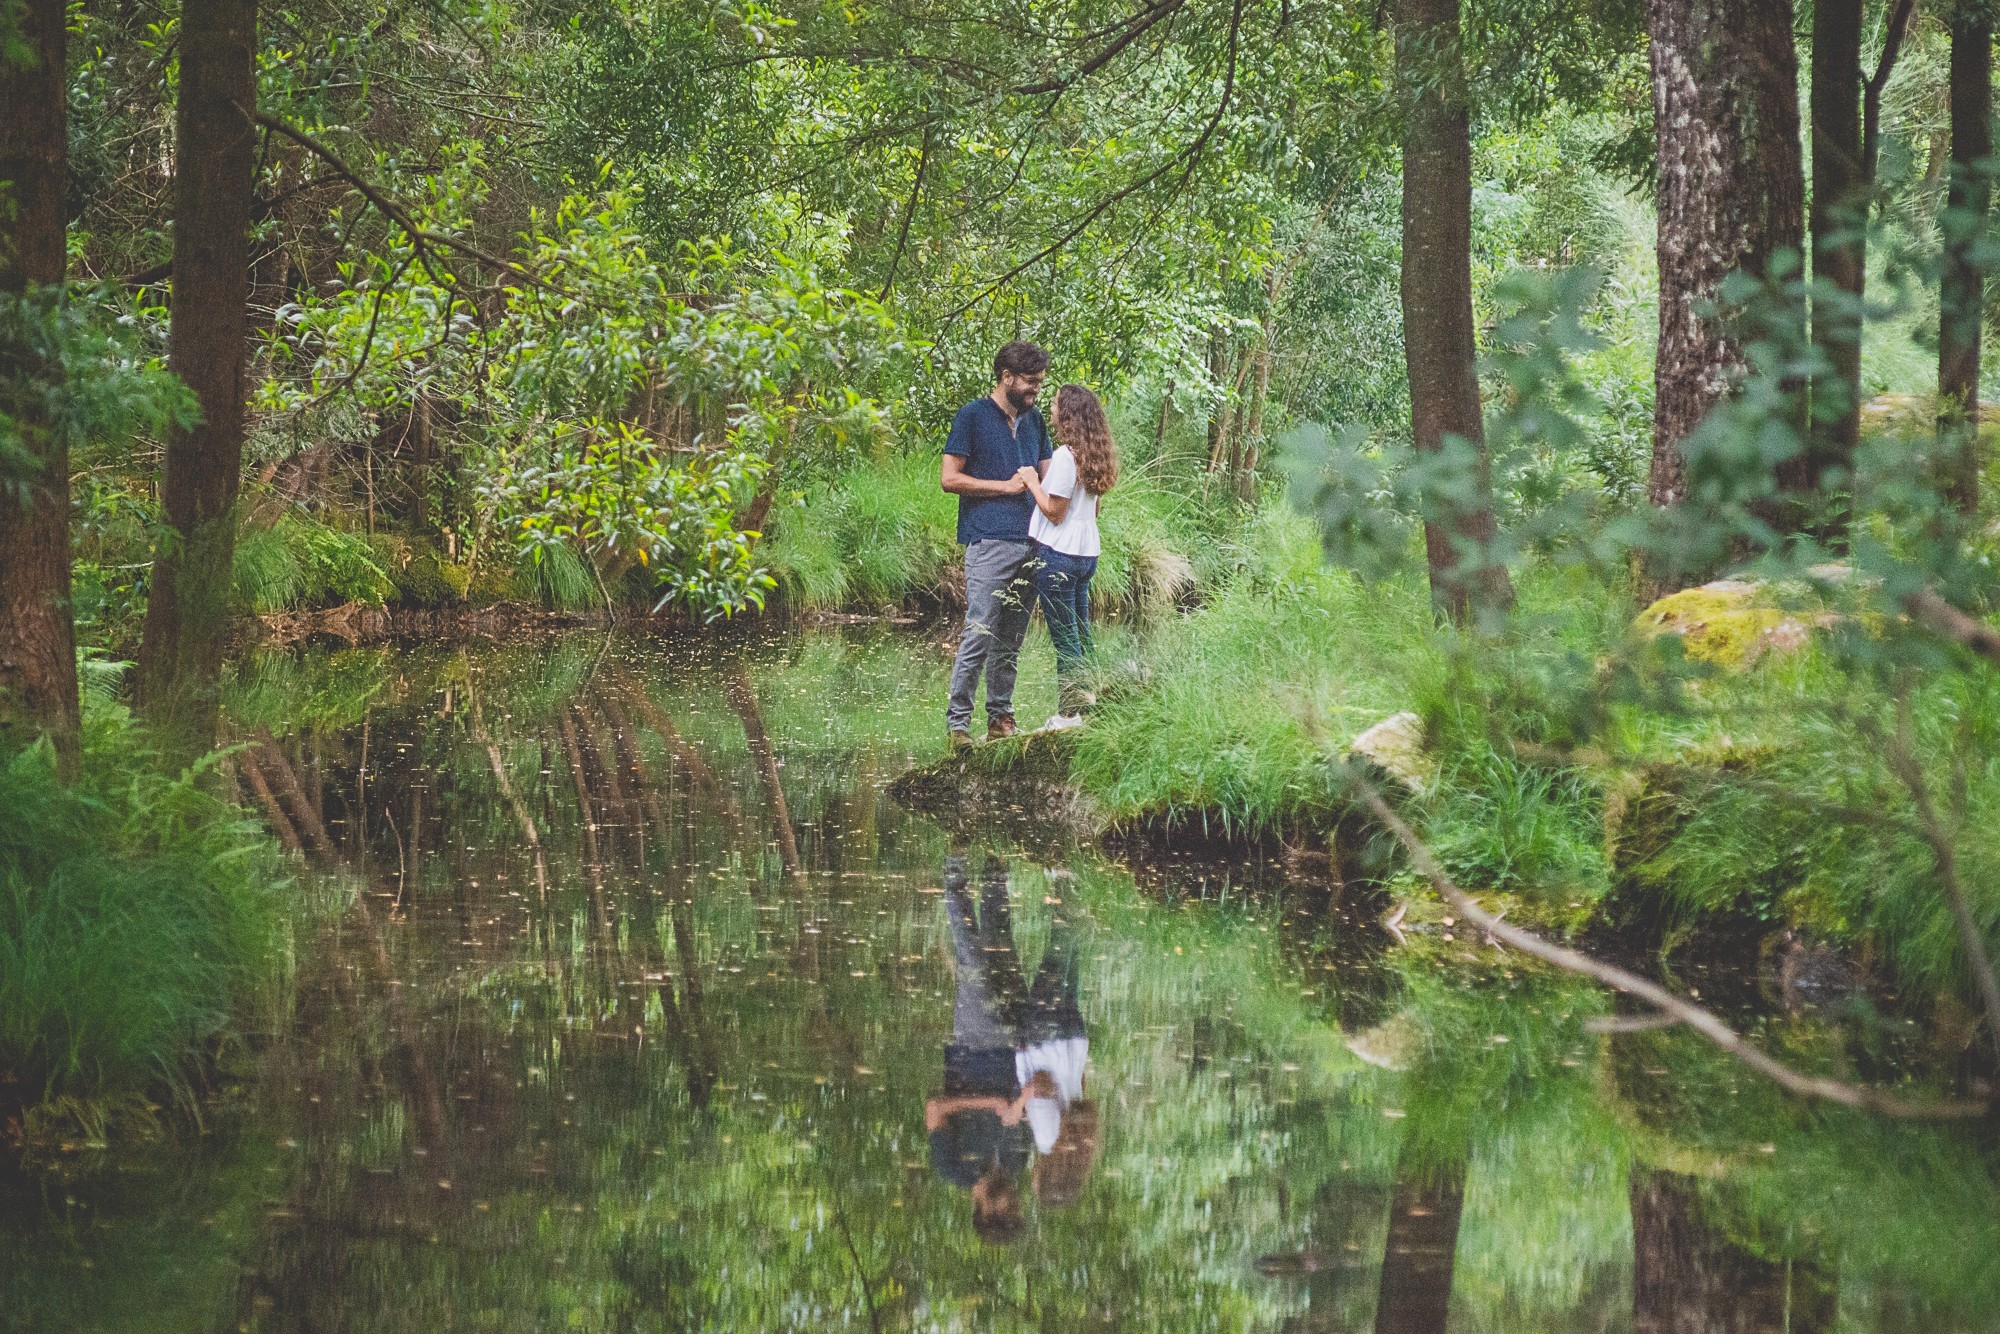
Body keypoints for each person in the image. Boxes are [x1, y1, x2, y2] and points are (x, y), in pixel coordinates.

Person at [942, 342, 1052, 748]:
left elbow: (1048, 476)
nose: (1035, 389)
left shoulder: (1035, 420)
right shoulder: (971, 417)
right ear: (1006, 377)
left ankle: (1001, 720)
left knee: (1012, 639)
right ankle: (958, 727)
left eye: (1039, 383)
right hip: (988, 540)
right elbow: (949, 478)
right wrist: (1003, 487)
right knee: (980, 631)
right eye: (1029, 381)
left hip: (1031, 542)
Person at [927, 855, 1035, 1244]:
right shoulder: (1017, 1163)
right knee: (1002, 948)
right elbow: (1021, 1112)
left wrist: (988, 1103)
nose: (1013, 1202)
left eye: (1007, 1210)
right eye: (1017, 1208)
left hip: (973, 1047)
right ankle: (996, 867)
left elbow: (934, 1108)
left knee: (972, 960)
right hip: (1015, 1048)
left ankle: (955, 865)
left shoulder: (953, 1169)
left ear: (985, 1211)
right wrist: (1021, 1103)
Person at [1017, 384, 1118, 722]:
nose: (1052, 408)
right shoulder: (1094, 456)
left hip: (1058, 555)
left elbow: (1054, 511)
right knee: (1081, 630)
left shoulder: (1065, 456)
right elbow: (1095, 510)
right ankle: (1092, 704)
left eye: (1056, 404)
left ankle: (1069, 714)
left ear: (1069, 414)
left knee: (1065, 637)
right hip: (1087, 554)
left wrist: (1032, 481)